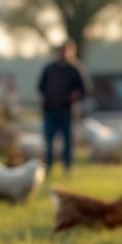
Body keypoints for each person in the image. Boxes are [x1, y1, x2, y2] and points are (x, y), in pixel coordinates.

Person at [37, 41, 88, 174]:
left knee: (68, 140)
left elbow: (83, 90)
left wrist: (75, 96)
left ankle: (68, 167)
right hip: (50, 110)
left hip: (66, 111)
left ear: (71, 52)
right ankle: (48, 167)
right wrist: (44, 100)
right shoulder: (49, 69)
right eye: (61, 51)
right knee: (49, 140)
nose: (63, 54)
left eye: (66, 51)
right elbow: (41, 87)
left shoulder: (75, 70)